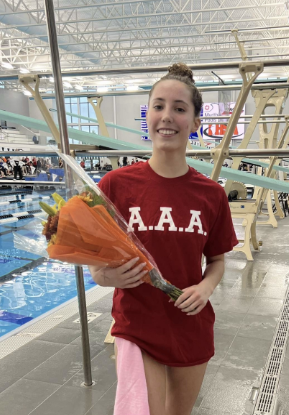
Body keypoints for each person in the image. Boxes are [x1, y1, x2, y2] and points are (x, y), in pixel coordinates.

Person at [89, 63, 238, 415]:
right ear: (148, 115)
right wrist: (104, 276)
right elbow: (95, 257)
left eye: (179, 108)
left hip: (190, 322)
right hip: (137, 322)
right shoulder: (115, 185)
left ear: (196, 123)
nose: (166, 116)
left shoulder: (211, 194)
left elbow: (216, 261)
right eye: (158, 106)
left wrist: (205, 288)